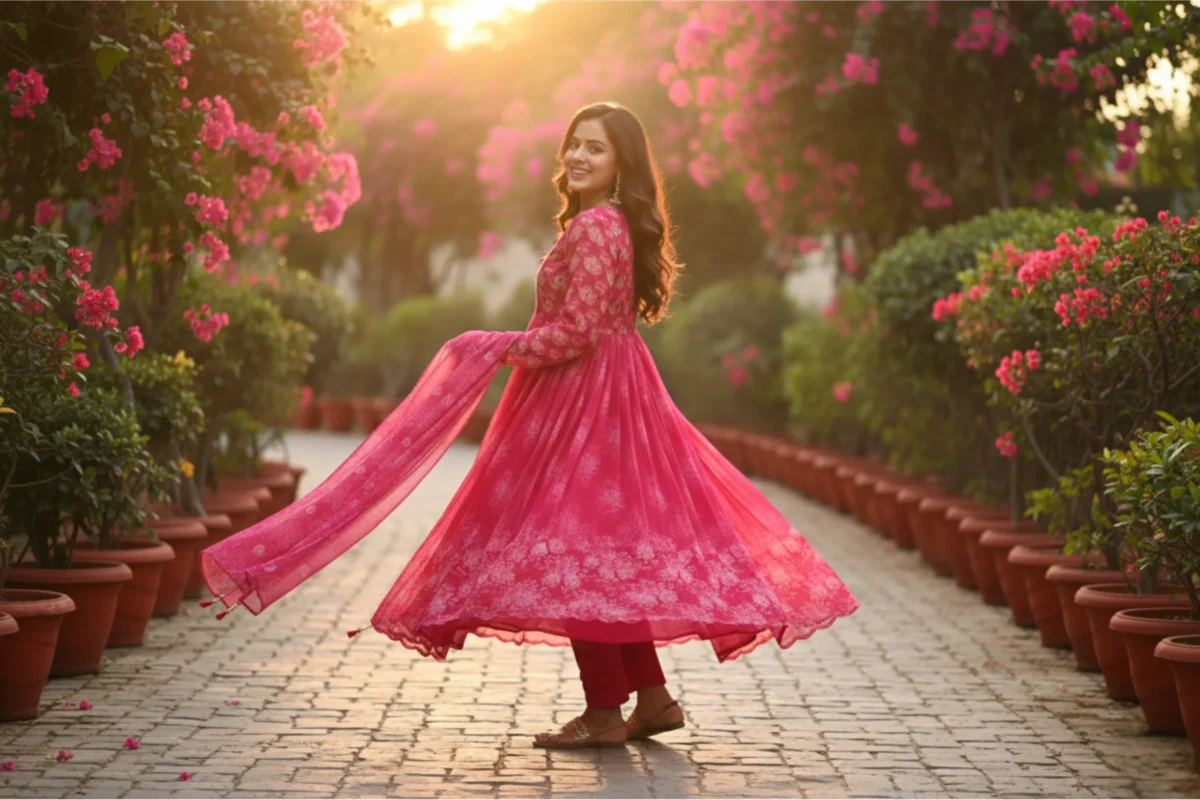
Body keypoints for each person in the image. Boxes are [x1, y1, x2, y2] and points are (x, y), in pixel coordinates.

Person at [199, 101, 858, 751]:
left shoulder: (598, 227)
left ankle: (604, 711)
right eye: (574, 142)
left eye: (595, 147)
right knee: (599, 555)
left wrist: (489, 346)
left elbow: (573, 335)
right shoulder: (610, 223)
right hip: (605, 399)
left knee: (568, 553)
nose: (577, 155)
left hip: (589, 408)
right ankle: (652, 700)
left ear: (621, 162)